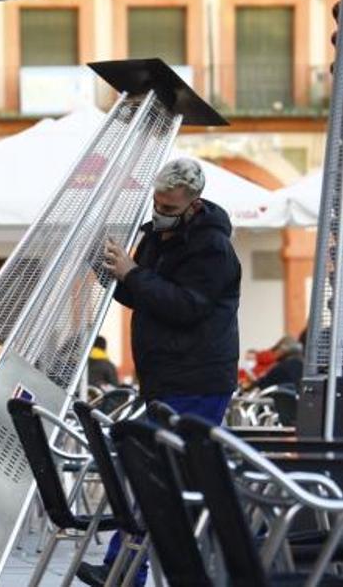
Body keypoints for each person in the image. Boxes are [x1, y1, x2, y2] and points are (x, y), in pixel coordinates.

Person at [84, 157, 241, 587]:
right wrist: (108, 270)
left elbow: (186, 306)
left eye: (168, 206)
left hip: (197, 378)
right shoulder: (159, 235)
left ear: (193, 204)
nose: (159, 210)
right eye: (156, 201)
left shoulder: (211, 247)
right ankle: (125, 567)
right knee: (161, 473)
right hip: (166, 378)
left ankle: (125, 568)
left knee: (162, 474)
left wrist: (132, 272)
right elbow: (143, 295)